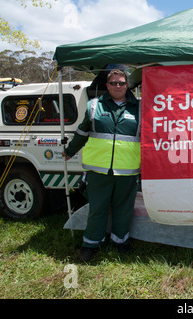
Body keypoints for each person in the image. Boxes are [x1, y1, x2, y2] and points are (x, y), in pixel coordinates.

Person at [63, 69, 141, 262]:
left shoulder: (139, 108)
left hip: (127, 171)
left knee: (123, 211)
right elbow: (82, 132)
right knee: (97, 210)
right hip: (98, 171)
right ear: (107, 85)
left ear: (127, 85)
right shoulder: (94, 105)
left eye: (121, 83)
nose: (118, 86)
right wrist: (70, 150)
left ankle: (120, 243)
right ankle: (90, 246)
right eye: (114, 83)